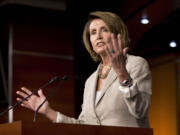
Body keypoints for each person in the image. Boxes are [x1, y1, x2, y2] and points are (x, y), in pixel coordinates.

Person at [16, 11, 152, 128]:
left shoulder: (135, 64)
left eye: (104, 30)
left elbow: (141, 111)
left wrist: (122, 73)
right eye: (93, 32)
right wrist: (48, 112)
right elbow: (85, 125)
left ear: (117, 34)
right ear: (90, 41)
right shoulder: (90, 81)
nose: (98, 36)